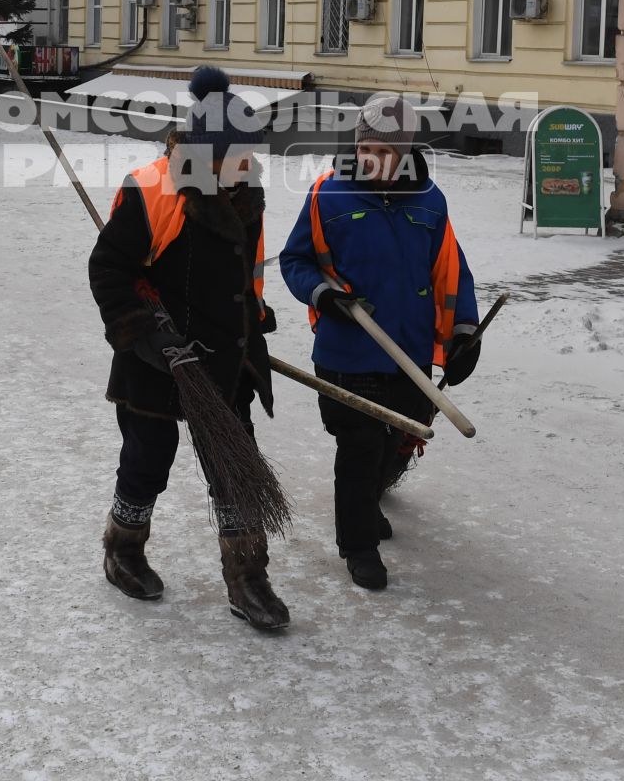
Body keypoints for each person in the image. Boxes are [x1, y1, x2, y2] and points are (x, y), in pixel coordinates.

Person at [87, 66, 289, 632]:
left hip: (226, 359)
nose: (248, 165)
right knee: (147, 460)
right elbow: (109, 270)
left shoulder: (246, 193)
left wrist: (256, 315)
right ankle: (123, 548)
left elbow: (246, 269)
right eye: (238, 155)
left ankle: (248, 576)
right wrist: (145, 334)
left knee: (235, 468)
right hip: (159, 360)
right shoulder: (152, 190)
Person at [279, 94, 482, 592]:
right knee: (359, 444)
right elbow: (294, 261)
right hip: (347, 350)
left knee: (395, 445)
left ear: (407, 151)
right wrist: (324, 296)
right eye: (369, 148)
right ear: (357, 144)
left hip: (410, 354)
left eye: (388, 152)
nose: (377, 160)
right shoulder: (328, 194)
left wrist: (463, 331)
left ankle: (367, 502)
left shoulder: (430, 200)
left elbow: (450, 270)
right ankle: (358, 545)